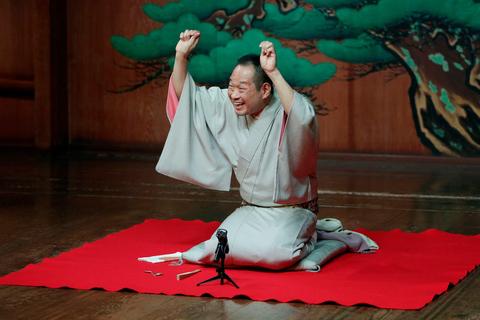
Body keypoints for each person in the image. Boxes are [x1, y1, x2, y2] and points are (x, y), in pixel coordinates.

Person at [156, 29, 321, 270]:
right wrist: (181, 56)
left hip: (292, 209)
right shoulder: (227, 105)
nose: (233, 95)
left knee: (277, 255)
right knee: (216, 250)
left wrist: (273, 72)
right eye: (231, 86)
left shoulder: (286, 107)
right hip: (251, 208)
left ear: (265, 90)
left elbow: (303, 118)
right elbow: (187, 99)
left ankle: (313, 238)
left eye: (242, 88)